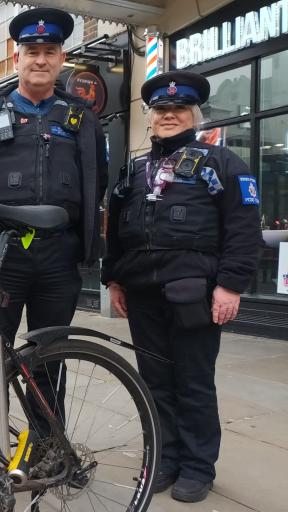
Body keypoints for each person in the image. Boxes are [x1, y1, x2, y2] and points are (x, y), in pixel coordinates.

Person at [0, 7, 108, 461]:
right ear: (15, 57)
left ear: (62, 59)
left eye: (50, 52)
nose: (40, 59)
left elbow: (96, 178)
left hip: (58, 260)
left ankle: (47, 443)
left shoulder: (82, 119)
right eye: (32, 52)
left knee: (49, 358)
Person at [102, 70, 262, 503]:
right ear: (151, 117)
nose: (169, 115)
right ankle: (165, 459)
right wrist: (114, 278)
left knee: (192, 381)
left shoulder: (223, 163)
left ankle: (197, 466)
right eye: (162, 110)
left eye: (178, 109)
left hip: (196, 293)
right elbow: (116, 229)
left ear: (194, 114)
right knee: (155, 381)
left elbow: (244, 229)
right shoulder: (133, 171)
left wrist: (230, 286)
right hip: (142, 294)